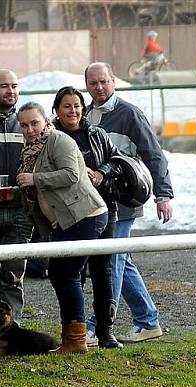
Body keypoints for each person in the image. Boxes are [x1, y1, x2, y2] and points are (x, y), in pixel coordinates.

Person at [85, 62, 174, 343]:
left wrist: (164, 195)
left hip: (124, 200)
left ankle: (96, 326)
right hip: (98, 203)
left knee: (112, 260)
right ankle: (147, 320)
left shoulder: (130, 114)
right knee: (122, 260)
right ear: (86, 85)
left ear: (114, 81)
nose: (99, 87)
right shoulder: (86, 115)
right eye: (93, 83)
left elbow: (155, 155)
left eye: (104, 82)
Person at [14, 102, 108, 354]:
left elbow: (71, 175)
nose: (30, 129)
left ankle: (76, 340)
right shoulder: (30, 150)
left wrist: (35, 179)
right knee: (60, 273)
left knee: (66, 273)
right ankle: (73, 337)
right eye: (24, 125)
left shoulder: (58, 140)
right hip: (65, 220)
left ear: (45, 120)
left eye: (34, 123)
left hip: (85, 214)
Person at [52, 86, 125, 349]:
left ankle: (106, 332)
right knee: (73, 273)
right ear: (56, 110)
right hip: (70, 215)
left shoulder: (96, 134)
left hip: (103, 209)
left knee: (102, 271)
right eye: (67, 106)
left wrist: (102, 172)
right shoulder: (52, 138)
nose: (73, 111)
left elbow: (118, 159)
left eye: (77, 106)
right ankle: (78, 333)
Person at [0, 69, 34, 315]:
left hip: (19, 213)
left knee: (13, 277)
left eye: (14, 86)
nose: (10, 91)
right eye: (4, 86)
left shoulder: (27, 124)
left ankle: (7, 335)